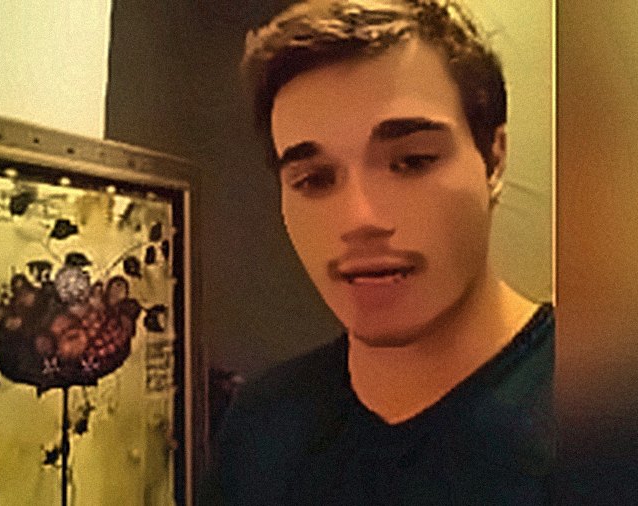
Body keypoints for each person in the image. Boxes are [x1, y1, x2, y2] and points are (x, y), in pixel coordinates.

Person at [206, 1, 555, 504]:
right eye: (314, 179)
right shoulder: (261, 427)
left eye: (412, 162)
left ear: (493, 161)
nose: (359, 219)